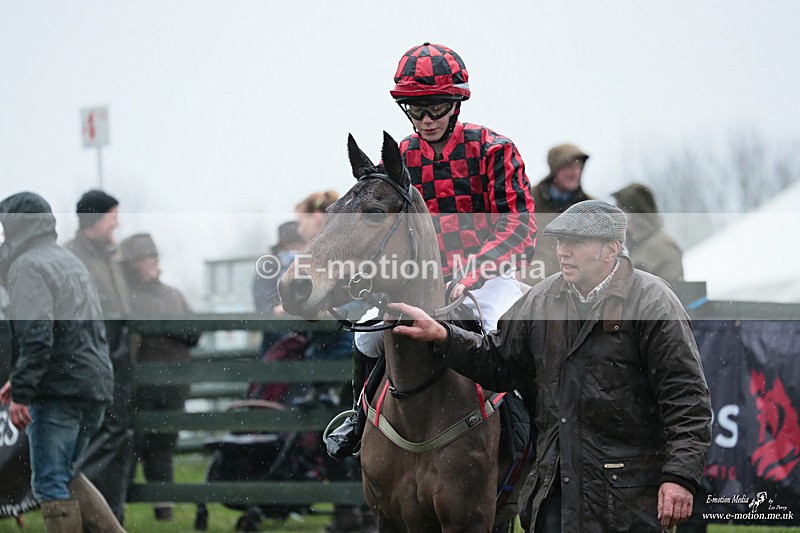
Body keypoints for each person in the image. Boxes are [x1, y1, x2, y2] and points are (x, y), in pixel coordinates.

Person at [390, 200, 713, 532]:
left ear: (611, 250)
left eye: (575, 242)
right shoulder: (541, 299)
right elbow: (499, 362)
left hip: (630, 501)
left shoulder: (652, 302)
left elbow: (687, 401)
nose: (563, 252)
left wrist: (679, 477)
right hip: (557, 495)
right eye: (560, 241)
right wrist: (444, 336)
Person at [324, 42, 537, 460]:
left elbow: (519, 226)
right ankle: (359, 417)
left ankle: (543, 430)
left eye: (436, 107)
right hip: (423, 281)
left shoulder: (494, 149)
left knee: (511, 337)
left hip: (489, 278)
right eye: (415, 110)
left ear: (456, 102)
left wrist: (471, 275)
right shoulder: (399, 157)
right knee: (366, 340)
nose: (425, 119)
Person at [0, 192, 124, 533]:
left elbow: (38, 335)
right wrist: (20, 378)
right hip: (92, 386)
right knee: (66, 474)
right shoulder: (67, 260)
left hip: (59, 392)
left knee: (50, 483)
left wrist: (22, 393)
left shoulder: (26, 266)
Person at [64, 189, 134, 522]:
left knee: (115, 437)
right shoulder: (71, 258)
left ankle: (107, 518)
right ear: (95, 218)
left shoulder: (108, 258)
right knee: (95, 441)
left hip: (114, 363)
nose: (116, 223)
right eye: (111, 216)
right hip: (91, 364)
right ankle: (90, 520)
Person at [118, 233, 199, 522]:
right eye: (146, 256)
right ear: (131, 263)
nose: (153, 261)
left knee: (163, 448)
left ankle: (163, 510)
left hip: (172, 387)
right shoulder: (124, 295)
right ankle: (117, 511)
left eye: (154, 255)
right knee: (130, 447)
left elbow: (195, 331)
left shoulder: (172, 294)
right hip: (138, 387)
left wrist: (169, 327)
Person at [526, 143, 594, 285]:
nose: (575, 172)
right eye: (568, 166)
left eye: (578, 167)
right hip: (533, 283)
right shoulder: (528, 201)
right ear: (555, 170)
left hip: (576, 286)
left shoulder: (590, 207)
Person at [612, 182, 684, 286]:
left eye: (626, 216)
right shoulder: (635, 245)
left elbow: (671, 293)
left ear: (638, 217)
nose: (622, 224)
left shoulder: (662, 246)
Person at [252, 220, 305, 355]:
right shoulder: (268, 267)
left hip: (305, 337)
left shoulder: (308, 265)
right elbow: (261, 300)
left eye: (299, 246)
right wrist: (275, 308)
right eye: (291, 246)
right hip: (275, 337)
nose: (295, 251)